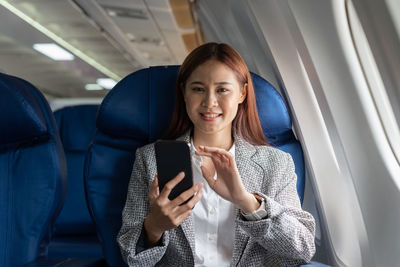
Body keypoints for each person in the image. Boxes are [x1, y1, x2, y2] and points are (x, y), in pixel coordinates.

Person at [117, 42, 316, 266]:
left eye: (222, 90)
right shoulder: (150, 159)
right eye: (198, 89)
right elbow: (132, 259)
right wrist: (154, 227)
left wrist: (248, 203)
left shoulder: (276, 164)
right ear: (184, 92)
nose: (209, 102)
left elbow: (302, 249)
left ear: (242, 93)